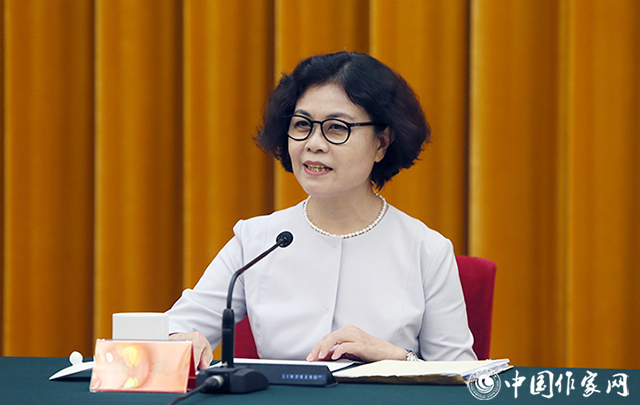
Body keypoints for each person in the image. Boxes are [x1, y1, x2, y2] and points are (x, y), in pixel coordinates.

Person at [167, 51, 476, 370]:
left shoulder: (426, 250)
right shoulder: (257, 240)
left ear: (382, 142)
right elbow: (171, 332)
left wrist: (398, 357)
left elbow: (465, 380)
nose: (314, 143)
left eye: (337, 128)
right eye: (302, 125)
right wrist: (184, 339)